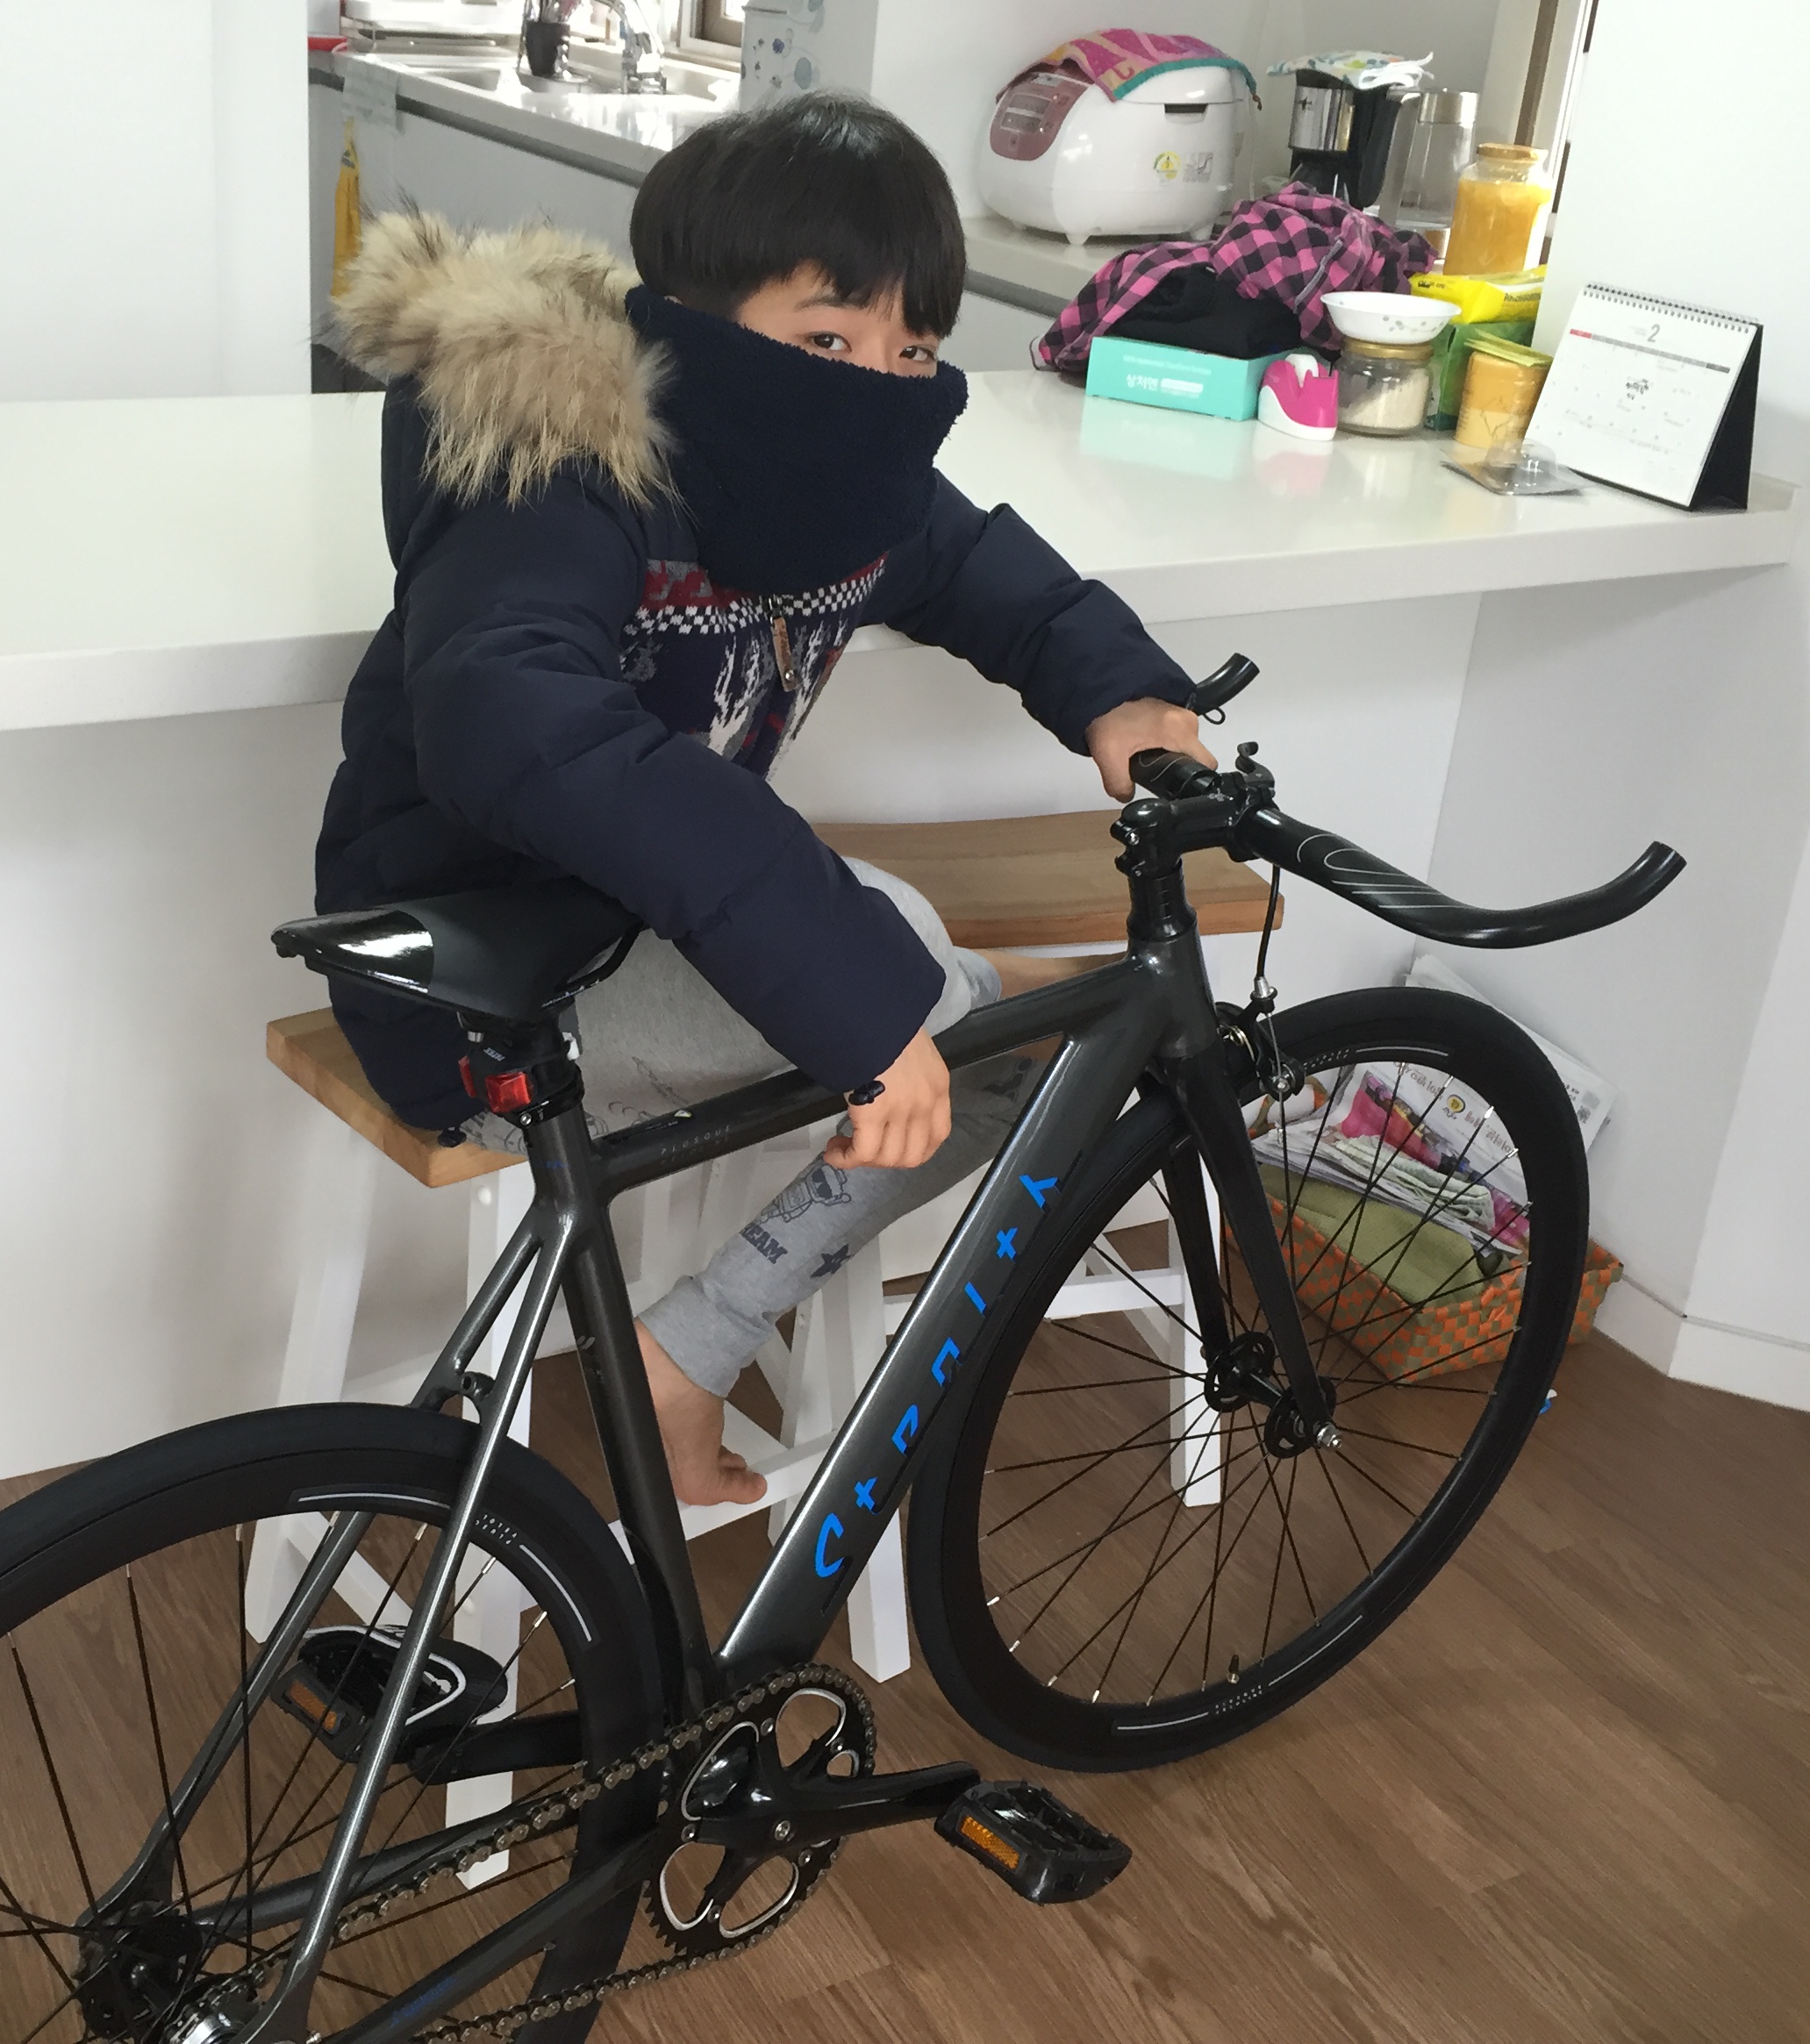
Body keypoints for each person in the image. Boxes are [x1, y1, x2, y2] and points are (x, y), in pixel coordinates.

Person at [315, 93, 1217, 1505]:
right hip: (475, 988)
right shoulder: (562, 473)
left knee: (972, 1003)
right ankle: (697, 1346)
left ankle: (687, 1341)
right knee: (991, 1029)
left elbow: (981, 569)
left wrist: (1122, 692)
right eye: (827, 341)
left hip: (642, 924)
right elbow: (513, 719)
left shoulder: (836, 481)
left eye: (912, 351)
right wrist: (868, 1001)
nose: (877, 383)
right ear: (690, 321)